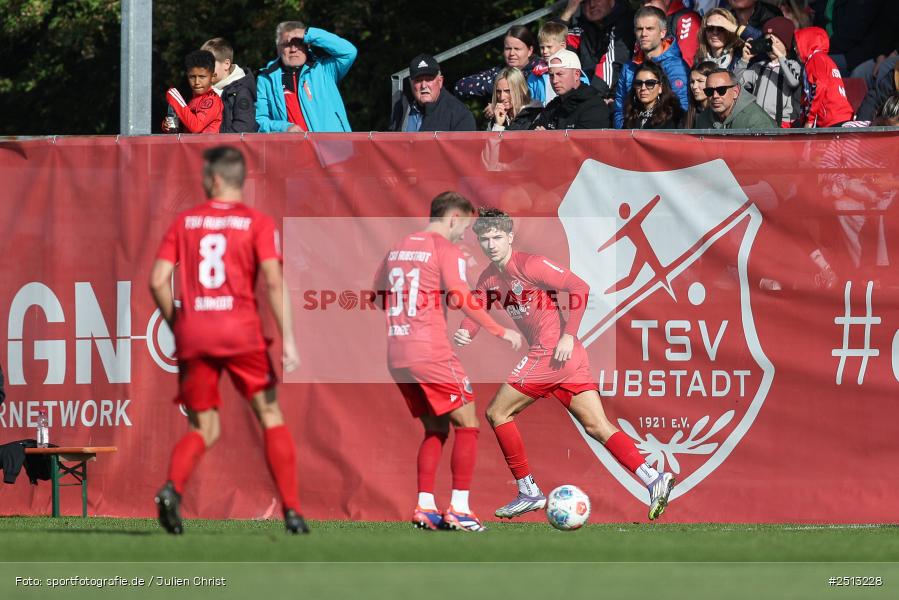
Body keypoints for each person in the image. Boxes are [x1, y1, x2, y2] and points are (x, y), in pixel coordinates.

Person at [454, 208, 676, 522]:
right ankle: (654, 478)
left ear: (510, 237)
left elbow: (579, 288)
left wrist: (568, 335)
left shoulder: (529, 264)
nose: (491, 244)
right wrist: (467, 330)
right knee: (597, 426)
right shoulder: (490, 277)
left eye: (497, 237)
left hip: (551, 354)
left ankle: (528, 490)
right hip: (565, 361)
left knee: (497, 412)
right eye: (485, 238)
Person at [149, 146, 306, 535]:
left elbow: (156, 280)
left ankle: (172, 489)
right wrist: (289, 341)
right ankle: (292, 511)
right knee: (270, 416)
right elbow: (273, 281)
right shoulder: (257, 223)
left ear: (216, 179)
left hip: (196, 332)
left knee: (204, 428)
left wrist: (178, 323)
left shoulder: (185, 222)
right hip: (241, 333)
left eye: (204, 176)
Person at [374, 192, 523, 532]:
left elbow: (376, 293)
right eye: (465, 226)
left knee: (436, 427)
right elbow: (461, 295)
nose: (464, 234)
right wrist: (500, 331)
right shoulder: (445, 249)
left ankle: (425, 506)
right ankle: (459, 509)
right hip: (430, 351)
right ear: (453, 218)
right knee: (468, 423)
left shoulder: (397, 249)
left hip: (396, 352)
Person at [255, 21, 357, 132]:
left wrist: (308, 34)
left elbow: (349, 52)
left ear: (307, 45)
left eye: (298, 43)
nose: (293, 49)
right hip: (292, 148)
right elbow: (259, 120)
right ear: (278, 47)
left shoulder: (324, 69)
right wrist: (284, 128)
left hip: (333, 146)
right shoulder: (266, 78)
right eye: (287, 44)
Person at [614, 6, 690, 128]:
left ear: (662, 32)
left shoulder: (677, 66)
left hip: (664, 137)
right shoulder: (628, 67)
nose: (643, 34)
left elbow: (682, 111)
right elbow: (620, 109)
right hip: (630, 137)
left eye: (649, 29)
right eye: (639, 29)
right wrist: (623, 138)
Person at [557, 0, 636, 97]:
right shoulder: (580, 24)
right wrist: (567, 13)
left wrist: (591, 97)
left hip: (614, 96)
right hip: (585, 93)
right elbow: (555, 53)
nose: (592, 5)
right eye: (586, 2)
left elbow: (612, 62)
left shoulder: (625, 21)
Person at [733, 16, 801, 126]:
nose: (770, 46)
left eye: (775, 41)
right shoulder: (758, 67)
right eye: (767, 41)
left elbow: (793, 82)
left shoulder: (793, 65)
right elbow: (735, 85)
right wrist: (744, 60)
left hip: (783, 125)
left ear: (786, 44)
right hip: (758, 122)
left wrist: (780, 56)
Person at [388, 54, 476, 132]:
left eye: (429, 79)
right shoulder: (402, 107)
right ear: (411, 83)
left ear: (440, 81)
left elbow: (465, 150)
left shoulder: (459, 114)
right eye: (418, 80)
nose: (423, 85)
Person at [453, 26, 541, 102]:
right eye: (508, 48)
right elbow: (461, 85)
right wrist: (496, 86)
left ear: (530, 50)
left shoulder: (540, 71)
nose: (511, 53)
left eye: (517, 49)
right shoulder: (499, 71)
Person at [530, 49, 612, 129]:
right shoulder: (553, 106)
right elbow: (532, 133)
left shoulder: (594, 107)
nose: (555, 80)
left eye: (560, 74)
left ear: (576, 74)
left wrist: (548, 139)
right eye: (551, 75)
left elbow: (585, 141)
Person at [794, 27, 855, 127]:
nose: (795, 49)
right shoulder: (825, 59)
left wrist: (810, 120)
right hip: (842, 116)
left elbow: (819, 86)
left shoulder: (815, 59)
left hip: (831, 119)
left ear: (807, 43)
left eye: (797, 44)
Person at [201, 38, 258, 134]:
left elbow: (244, 127)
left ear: (226, 64)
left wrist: (216, 142)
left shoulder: (241, 92)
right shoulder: (204, 91)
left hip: (227, 147)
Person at [695, 67, 779, 127]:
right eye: (709, 91)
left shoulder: (756, 120)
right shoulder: (703, 118)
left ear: (735, 92)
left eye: (721, 90)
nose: (715, 96)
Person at [164, 50, 223, 134]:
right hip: (193, 146)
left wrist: (175, 98)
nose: (197, 82)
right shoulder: (193, 100)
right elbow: (186, 129)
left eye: (202, 77)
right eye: (192, 77)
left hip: (207, 146)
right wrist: (168, 125)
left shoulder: (212, 99)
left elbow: (195, 127)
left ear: (213, 77)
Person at [623, 62, 685, 128]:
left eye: (650, 83)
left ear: (660, 88)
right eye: (638, 83)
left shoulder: (673, 116)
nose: (643, 88)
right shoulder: (631, 115)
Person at [641, 0, 702, 66]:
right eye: (643, 2)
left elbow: (686, 64)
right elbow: (637, 62)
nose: (645, 6)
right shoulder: (646, 22)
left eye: (650, 1)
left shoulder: (686, 19)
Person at [685, 60, 719, 126]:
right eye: (692, 82)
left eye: (700, 81)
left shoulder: (721, 113)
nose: (694, 86)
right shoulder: (689, 114)